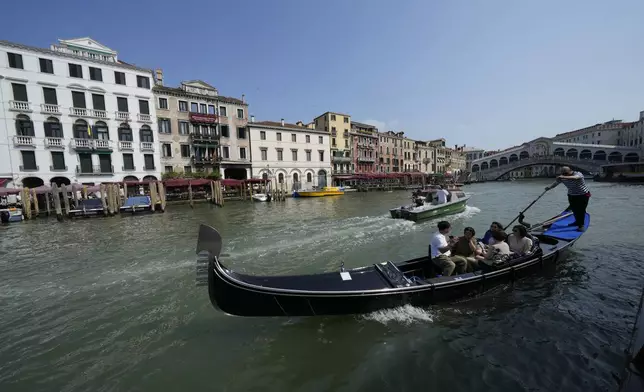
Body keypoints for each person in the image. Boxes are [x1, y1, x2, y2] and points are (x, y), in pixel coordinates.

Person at [545, 166, 590, 231]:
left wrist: (563, 177)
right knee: (574, 210)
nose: (564, 175)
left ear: (570, 171)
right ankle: (577, 222)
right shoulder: (563, 176)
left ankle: (581, 225)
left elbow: (575, 178)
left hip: (583, 195)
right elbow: (556, 183)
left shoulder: (578, 174)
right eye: (563, 173)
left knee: (581, 210)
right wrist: (549, 187)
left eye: (565, 173)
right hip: (571, 195)